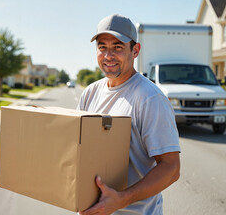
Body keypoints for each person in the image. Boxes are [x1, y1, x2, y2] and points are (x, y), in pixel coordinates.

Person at [77, 14, 181, 215]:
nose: (108, 56)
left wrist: (121, 200)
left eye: (117, 47)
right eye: (102, 47)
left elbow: (171, 169)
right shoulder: (90, 93)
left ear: (135, 50)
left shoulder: (150, 98)